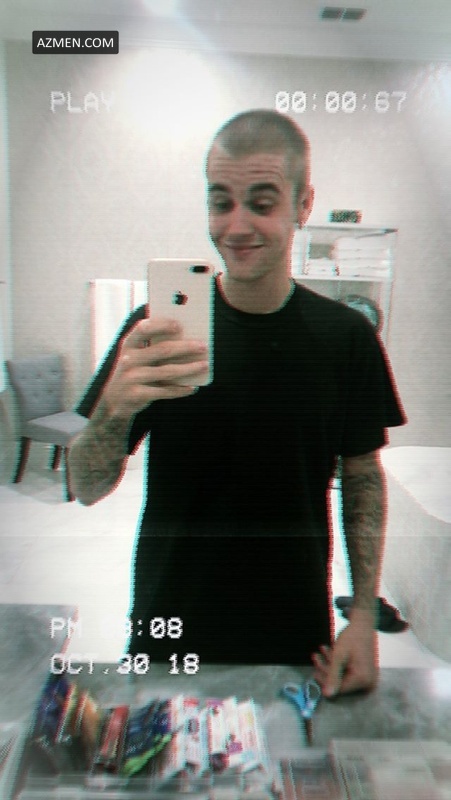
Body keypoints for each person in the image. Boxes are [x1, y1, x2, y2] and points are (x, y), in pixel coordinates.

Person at [68, 109, 405, 697]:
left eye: (261, 202)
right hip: (168, 625)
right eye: (220, 202)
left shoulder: (347, 338)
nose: (236, 225)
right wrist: (112, 410)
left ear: (303, 204)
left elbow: (362, 480)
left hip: (294, 630)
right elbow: (87, 487)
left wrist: (362, 617)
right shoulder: (156, 331)